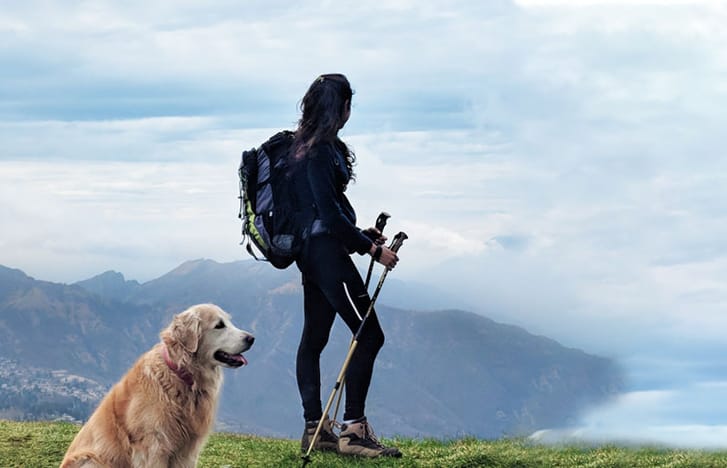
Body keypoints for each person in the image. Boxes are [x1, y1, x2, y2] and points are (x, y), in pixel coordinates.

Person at [290, 73, 402, 458]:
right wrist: (372, 250)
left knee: (314, 340)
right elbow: (330, 218)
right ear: (341, 108)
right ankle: (353, 430)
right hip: (326, 258)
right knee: (370, 336)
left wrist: (361, 234)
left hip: (314, 255)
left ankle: (314, 429)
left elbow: (327, 216)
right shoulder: (321, 151)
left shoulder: (304, 148)